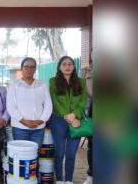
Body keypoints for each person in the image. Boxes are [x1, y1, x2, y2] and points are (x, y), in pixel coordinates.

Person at [49, 56, 87, 184]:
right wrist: (67, 115)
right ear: (59, 67)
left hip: (76, 122)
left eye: (70, 64)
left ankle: (69, 180)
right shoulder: (53, 81)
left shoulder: (81, 82)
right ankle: (59, 180)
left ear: (73, 66)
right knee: (59, 153)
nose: (67, 66)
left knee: (71, 154)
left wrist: (75, 115)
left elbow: (83, 102)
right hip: (58, 120)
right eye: (64, 64)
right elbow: (55, 102)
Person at [6, 57, 52, 149]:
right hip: (20, 128)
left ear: (35, 69)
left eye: (32, 67)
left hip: (38, 128)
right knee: (22, 156)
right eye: (26, 67)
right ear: (21, 68)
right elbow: (10, 106)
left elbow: (48, 105)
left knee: (34, 155)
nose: (29, 69)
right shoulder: (14, 85)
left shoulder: (41, 85)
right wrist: (23, 121)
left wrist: (40, 121)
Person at [83, 65, 93, 184]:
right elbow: (90, 92)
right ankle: (91, 176)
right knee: (93, 144)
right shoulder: (90, 70)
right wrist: (89, 75)